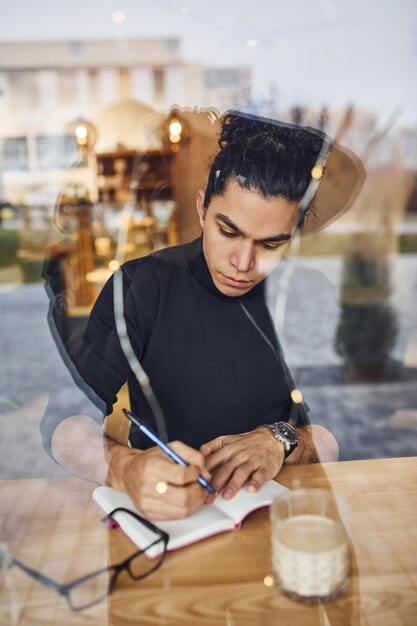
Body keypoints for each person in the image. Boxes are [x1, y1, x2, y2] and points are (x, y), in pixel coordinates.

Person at [41, 111, 364, 521]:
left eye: (271, 244)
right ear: (201, 208)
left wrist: (281, 439)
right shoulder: (141, 287)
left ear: (294, 237)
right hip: (165, 516)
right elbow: (63, 421)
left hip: (280, 512)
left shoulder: (309, 293)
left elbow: (342, 425)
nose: (243, 262)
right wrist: (125, 468)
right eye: (228, 231)